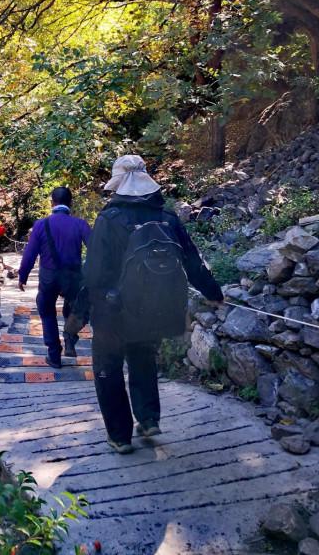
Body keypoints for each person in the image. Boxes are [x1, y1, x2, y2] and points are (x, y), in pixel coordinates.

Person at [83, 155, 224, 455]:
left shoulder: (109, 220)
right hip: (153, 310)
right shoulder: (167, 218)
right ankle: (148, 420)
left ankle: (120, 437)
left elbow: (94, 274)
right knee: (143, 360)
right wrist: (214, 292)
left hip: (114, 313)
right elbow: (193, 262)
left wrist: (81, 311)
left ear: (117, 183)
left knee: (107, 368)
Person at [18, 187, 91, 369]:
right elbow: (96, 249)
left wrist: (23, 275)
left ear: (52, 203)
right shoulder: (80, 224)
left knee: (46, 309)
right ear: (70, 203)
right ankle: (69, 340)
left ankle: (54, 355)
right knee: (75, 308)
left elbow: (30, 253)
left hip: (49, 276)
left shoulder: (41, 225)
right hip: (73, 276)